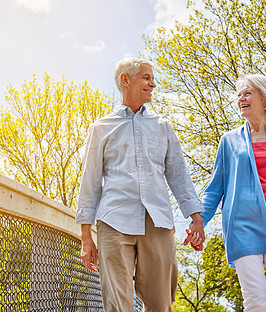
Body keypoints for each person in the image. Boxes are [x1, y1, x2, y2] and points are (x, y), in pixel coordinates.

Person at [76, 57, 204, 312]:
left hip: (157, 222)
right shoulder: (101, 128)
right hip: (113, 221)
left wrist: (196, 219)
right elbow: (90, 181)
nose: (152, 84)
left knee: (160, 303)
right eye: (146, 77)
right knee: (117, 304)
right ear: (126, 80)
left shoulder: (162, 127)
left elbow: (179, 175)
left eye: (152, 78)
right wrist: (86, 237)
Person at [185, 74, 266, 311]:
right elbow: (214, 191)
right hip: (242, 227)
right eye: (239, 95)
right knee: (255, 302)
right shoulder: (229, 141)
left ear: (265, 100)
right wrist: (199, 222)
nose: (241, 99)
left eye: (247, 93)